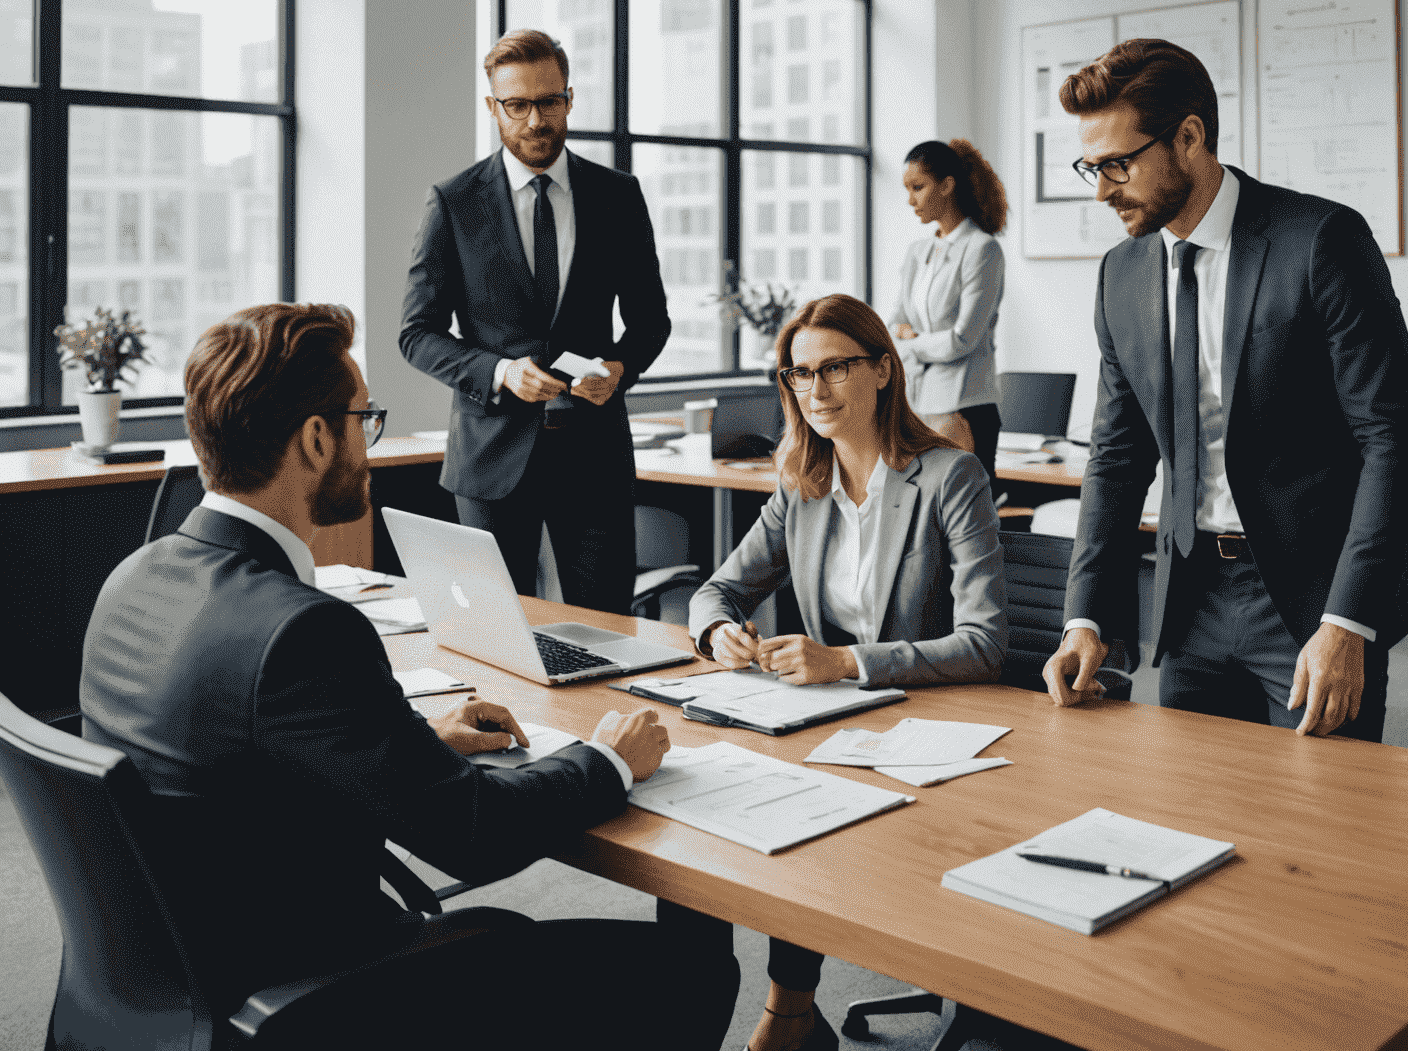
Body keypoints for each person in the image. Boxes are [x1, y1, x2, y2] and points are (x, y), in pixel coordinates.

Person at [79, 303, 737, 1049]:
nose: (368, 437)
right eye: (366, 416)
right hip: (318, 996)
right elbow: (475, 836)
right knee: (692, 966)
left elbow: (226, 755)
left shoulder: (135, 576)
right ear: (319, 438)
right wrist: (611, 758)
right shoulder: (303, 630)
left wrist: (412, 739)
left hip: (178, 986)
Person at [1042, 38, 1408, 740]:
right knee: (1199, 815)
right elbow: (1116, 456)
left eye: (1118, 165)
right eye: (1090, 167)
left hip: (1311, 595)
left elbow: (1394, 438)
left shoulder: (1319, 241)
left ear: (1188, 136)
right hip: (1188, 597)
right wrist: (1086, 615)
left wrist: (1347, 622)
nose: (1101, 190)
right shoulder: (1121, 275)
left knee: (1324, 823)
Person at [680, 293, 1007, 1051]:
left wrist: (847, 662)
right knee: (712, 810)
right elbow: (715, 591)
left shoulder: (950, 476)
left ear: (884, 371)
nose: (817, 391)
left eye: (836, 369)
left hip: (934, 729)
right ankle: (778, 1009)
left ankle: (791, 1014)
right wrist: (720, 631)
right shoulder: (801, 483)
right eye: (799, 375)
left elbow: (986, 642)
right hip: (834, 723)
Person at [400, 28, 670, 614]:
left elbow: (652, 321)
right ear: (493, 107)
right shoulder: (454, 201)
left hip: (593, 455)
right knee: (497, 635)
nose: (535, 121)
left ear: (569, 100)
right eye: (516, 105)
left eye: (548, 102)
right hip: (490, 456)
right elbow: (415, 333)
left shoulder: (618, 195)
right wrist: (498, 372)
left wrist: (620, 368)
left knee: (607, 632)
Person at [888, 138, 1008, 482]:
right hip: (918, 406)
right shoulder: (917, 251)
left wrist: (912, 342)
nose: (910, 200)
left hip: (964, 406)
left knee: (964, 518)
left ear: (947, 185)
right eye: (907, 189)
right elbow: (895, 322)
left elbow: (962, 340)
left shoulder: (982, 250)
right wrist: (916, 339)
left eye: (918, 187)